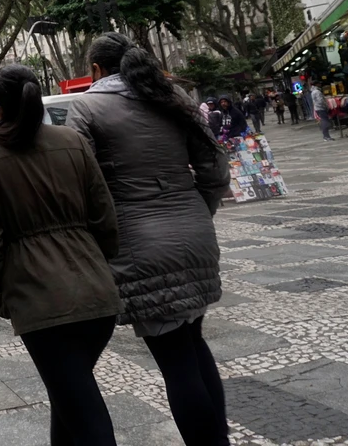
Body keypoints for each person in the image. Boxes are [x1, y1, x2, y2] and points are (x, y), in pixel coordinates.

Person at [68, 33, 230, 446]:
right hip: (195, 232)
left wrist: (104, 237)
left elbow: (82, 186)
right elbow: (215, 168)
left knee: (176, 362)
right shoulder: (171, 96)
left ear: (97, 70)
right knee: (193, 343)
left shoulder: (87, 107)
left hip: (139, 243)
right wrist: (198, 209)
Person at [0, 64, 121, 446]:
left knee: (82, 411)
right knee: (68, 398)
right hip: (98, 295)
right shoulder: (71, 139)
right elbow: (105, 216)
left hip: (40, 303)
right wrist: (100, 264)